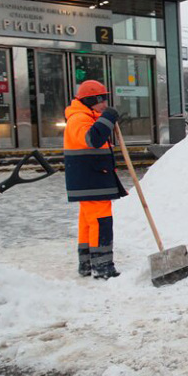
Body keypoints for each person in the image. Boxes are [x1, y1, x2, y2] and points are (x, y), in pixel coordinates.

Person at [64, 80, 127, 280]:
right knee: (101, 221)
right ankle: (102, 267)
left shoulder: (88, 116)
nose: (105, 104)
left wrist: (105, 119)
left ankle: (87, 264)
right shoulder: (79, 119)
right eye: (101, 100)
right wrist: (107, 118)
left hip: (91, 179)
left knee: (88, 222)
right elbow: (93, 139)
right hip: (91, 179)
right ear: (90, 100)